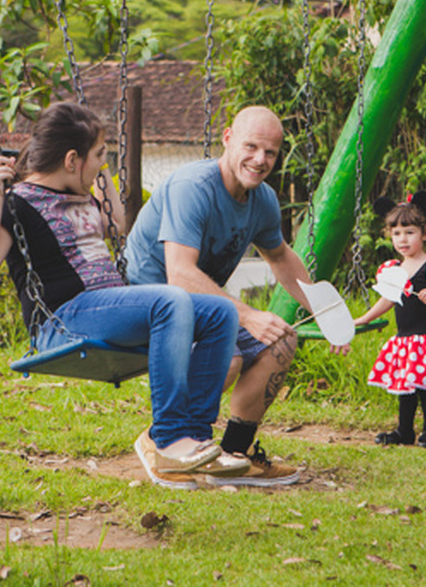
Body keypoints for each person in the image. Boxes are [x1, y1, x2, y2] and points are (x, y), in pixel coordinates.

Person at [0, 101, 245, 490]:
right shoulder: (19, 202)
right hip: (64, 320)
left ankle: (194, 439)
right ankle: (168, 438)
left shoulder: (80, 189)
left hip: (106, 306)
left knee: (219, 312)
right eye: (100, 156)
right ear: (71, 159)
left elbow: (118, 221)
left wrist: (100, 170)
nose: (103, 163)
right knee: (171, 300)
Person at [125, 106, 314, 486]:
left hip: (201, 309)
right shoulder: (193, 187)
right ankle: (165, 439)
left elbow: (280, 256)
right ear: (227, 138)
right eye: (251, 147)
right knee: (229, 355)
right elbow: (179, 273)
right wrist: (246, 315)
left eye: (271, 153)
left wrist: (325, 309)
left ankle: (236, 456)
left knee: (281, 341)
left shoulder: (261, 200)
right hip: (148, 305)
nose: (260, 160)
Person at [351, 191, 426, 447]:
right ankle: (404, 431)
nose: (402, 239)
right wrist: (364, 318)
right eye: (396, 233)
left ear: (424, 233)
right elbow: (387, 300)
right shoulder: (393, 270)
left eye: (409, 232)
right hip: (405, 341)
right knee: (404, 388)